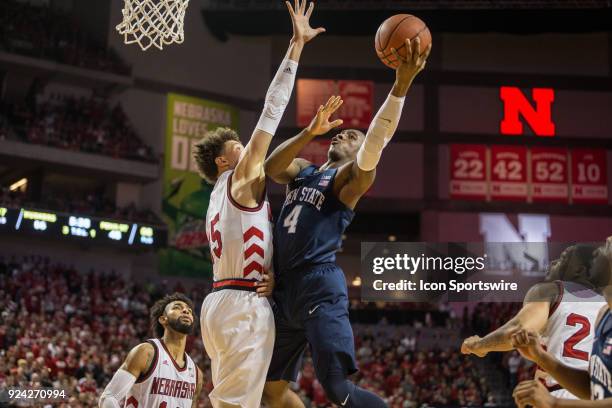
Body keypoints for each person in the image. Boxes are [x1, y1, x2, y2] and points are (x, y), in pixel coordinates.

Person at [262, 37, 431, 408]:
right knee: (269, 392)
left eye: (352, 136)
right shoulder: (305, 172)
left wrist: (400, 87)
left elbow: (377, 141)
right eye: (341, 133)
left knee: (337, 391)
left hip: (318, 285)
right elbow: (271, 167)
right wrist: (308, 133)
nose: (343, 135)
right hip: (283, 290)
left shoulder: (350, 181)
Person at [192, 1, 325, 406]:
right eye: (239, 146)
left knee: (266, 396)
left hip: (224, 299)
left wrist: (266, 276)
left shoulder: (218, 198)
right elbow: (271, 110)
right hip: (240, 305)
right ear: (223, 160)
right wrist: (295, 47)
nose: (247, 148)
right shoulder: (241, 177)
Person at [461, 244, 606, 399]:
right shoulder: (607, 308)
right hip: (596, 398)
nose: (553, 263)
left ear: (579, 270)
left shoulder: (551, 291)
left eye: (563, 259)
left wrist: (480, 345)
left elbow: (518, 330)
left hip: (558, 396)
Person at [511, 237, 612, 407]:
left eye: (608, 246)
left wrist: (555, 403)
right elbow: (593, 389)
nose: (602, 247)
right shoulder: (604, 315)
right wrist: (542, 357)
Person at [98, 293, 203, 408]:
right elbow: (109, 397)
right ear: (163, 319)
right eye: (177, 307)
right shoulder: (146, 353)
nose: (186, 311)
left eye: (189, 310)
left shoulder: (196, 373)